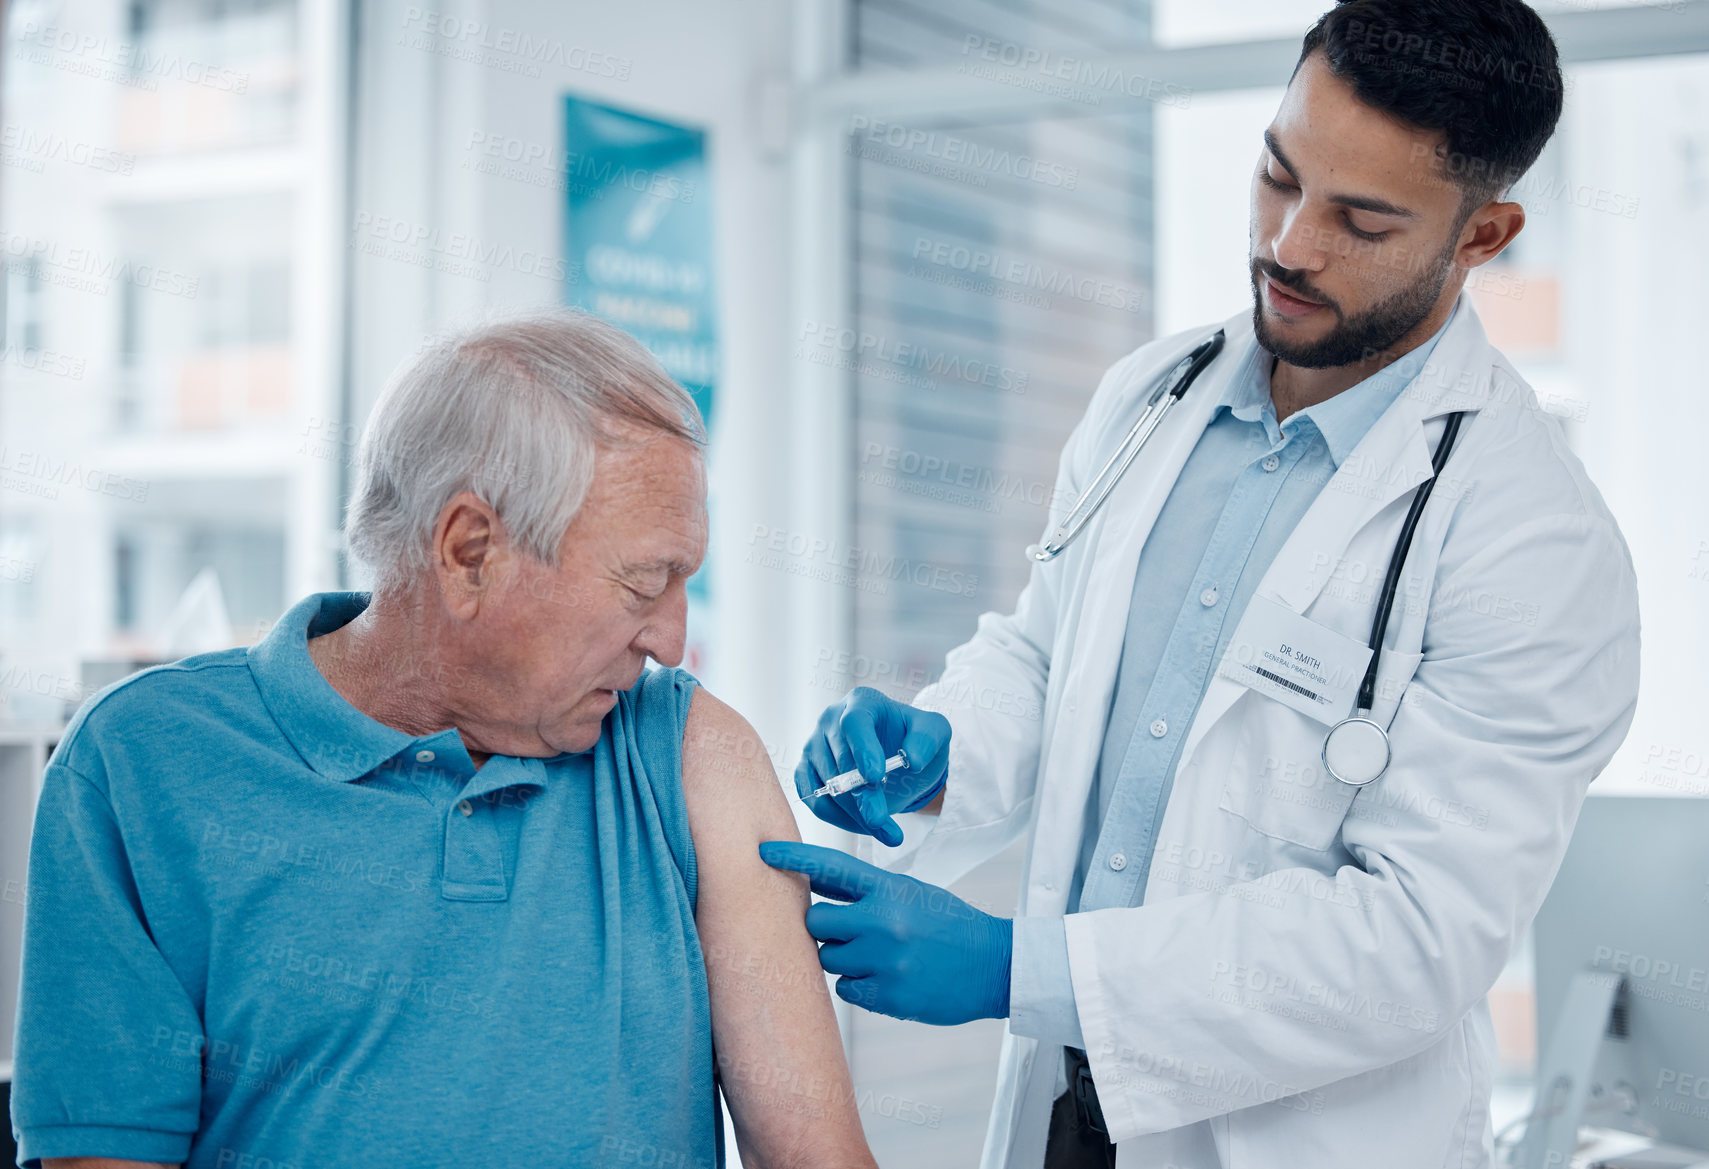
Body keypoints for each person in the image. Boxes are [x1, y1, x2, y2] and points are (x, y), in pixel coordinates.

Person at [762, 2, 1641, 1166]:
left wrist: (1017, 968)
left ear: (1482, 236)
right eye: (1277, 177)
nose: (1289, 244)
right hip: (1068, 1117)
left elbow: (1408, 940)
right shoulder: (1150, 396)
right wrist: (939, 750)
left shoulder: (1532, 543)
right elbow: (1044, 654)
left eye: (1359, 220)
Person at [10, 309, 877, 1169]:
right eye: (644, 582)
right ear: (470, 551)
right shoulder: (140, 765)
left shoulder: (691, 757)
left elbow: (813, 1156)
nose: (669, 640)